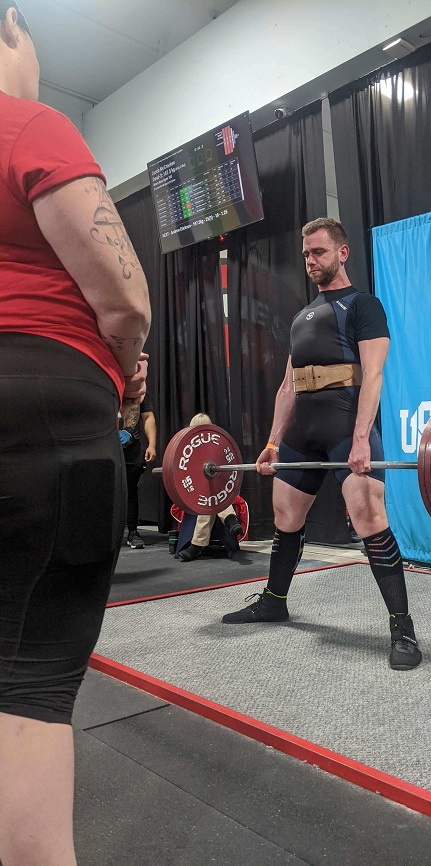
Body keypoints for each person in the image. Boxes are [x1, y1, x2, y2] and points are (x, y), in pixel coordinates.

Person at [0, 5, 151, 865]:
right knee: (31, 679)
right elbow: (125, 298)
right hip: (46, 409)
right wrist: (128, 366)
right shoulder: (32, 122)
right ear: (13, 27)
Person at [222, 217, 422, 671]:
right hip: (302, 434)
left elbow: (372, 374)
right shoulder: (300, 317)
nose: (311, 261)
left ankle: (402, 627)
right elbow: (288, 387)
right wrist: (273, 443)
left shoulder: (363, 305)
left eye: (320, 252)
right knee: (286, 517)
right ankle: (274, 600)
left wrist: (360, 440)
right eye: (307, 254)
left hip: (344, 426)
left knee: (370, 517)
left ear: (342, 252)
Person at [176, 412, 244, 561]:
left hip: (220, 491)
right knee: (208, 499)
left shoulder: (218, 447)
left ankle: (197, 546)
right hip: (195, 494)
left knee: (212, 498)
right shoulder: (186, 451)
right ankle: (230, 519)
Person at [120, 392, 157, 549]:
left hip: (131, 449)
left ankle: (133, 532)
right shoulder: (104, 383)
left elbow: (147, 416)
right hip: (105, 445)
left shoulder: (137, 390)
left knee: (130, 490)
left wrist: (152, 444)